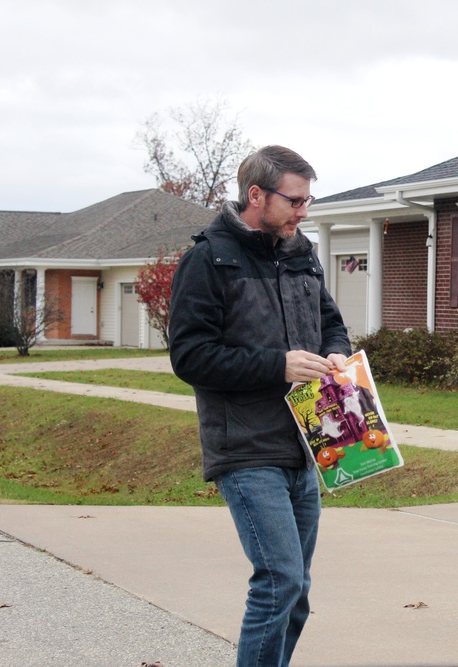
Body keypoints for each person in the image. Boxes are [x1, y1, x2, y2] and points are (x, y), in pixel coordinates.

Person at [168, 145, 351, 666]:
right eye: (295, 201)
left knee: (296, 594)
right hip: (246, 449)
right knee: (279, 581)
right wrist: (279, 366)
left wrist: (336, 353)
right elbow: (190, 356)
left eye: (307, 200)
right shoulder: (208, 260)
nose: (304, 211)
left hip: (306, 444)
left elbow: (331, 322)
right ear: (256, 195)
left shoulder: (301, 251)